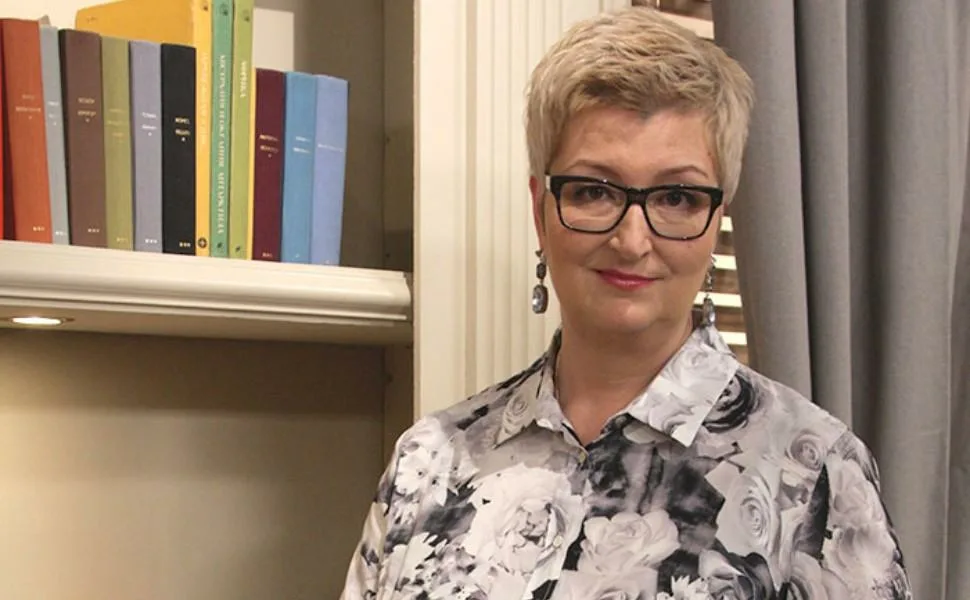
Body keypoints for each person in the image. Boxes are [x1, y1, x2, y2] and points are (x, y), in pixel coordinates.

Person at [341, 6, 912, 599]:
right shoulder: (428, 464)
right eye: (593, 191)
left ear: (717, 219)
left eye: (676, 197)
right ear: (540, 211)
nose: (632, 240)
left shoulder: (814, 473)